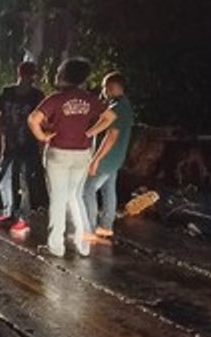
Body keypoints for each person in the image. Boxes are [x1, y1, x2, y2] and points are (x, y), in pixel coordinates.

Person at [27, 57, 115, 258]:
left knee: (58, 199)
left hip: (59, 152)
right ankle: (82, 244)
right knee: (75, 197)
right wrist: (90, 133)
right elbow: (110, 117)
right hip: (82, 153)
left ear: (64, 75)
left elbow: (33, 119)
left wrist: (42, 136)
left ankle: (56, 246)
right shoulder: (90, 99)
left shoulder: (56, 99)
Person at [0, 61, 45, 237]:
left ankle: (23, 217)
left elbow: (42, 120)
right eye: (28, 75)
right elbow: (0, 119)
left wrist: (42, 144)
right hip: (10, 144)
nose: (29, 79)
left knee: (25, 181)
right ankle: (9, 212)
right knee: (4, 177)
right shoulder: (7, 93)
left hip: (28, 145)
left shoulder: (37, 96)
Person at [82, 71, 135, 241]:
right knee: (108, 190)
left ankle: (88, 227)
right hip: (116, 158)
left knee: (87, 190)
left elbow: (111, 137)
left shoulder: (118, 108)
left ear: (112, 87)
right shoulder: (122, 105)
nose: (103, 90)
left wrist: (96, 159)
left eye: (105, 87)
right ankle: (106, 226)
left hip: (107, 158)